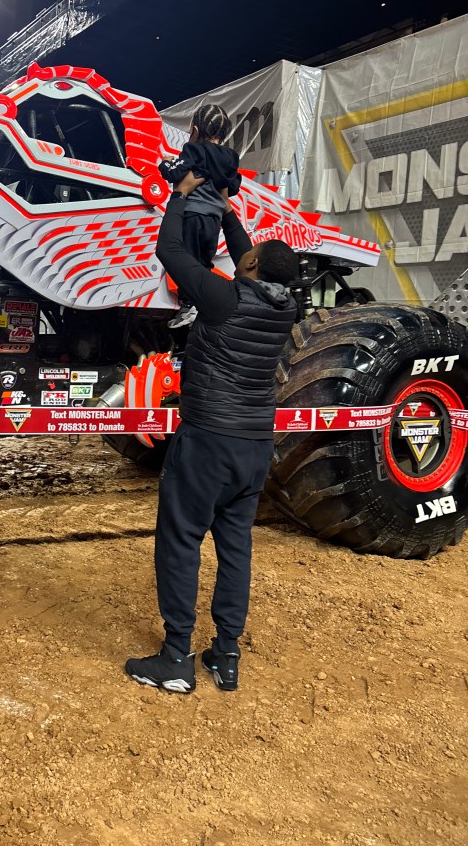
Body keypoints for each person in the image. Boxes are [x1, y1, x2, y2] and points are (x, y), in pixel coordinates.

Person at [125, 170, 298, 694]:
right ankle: (225, 654)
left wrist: (179, 198)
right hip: (254, 446)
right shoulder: (285, 306)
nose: (244, 254)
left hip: (208, 442)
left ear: (250, 267)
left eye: (249, 254)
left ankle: (176, 658)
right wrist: (226, 211)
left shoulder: (223, 299)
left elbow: (170, 252)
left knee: (180, 539)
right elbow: (253, 260)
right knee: (235, 546)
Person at [158, 104, 241, 328]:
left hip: (192, 215)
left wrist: (166, 162)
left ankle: (190, 305)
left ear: (195, 130)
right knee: (203, 261)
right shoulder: (231, 157)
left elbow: (174, 172)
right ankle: (198, 304)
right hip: (214, 220)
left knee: (184, 260)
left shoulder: (194, 150)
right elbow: (233, 187)